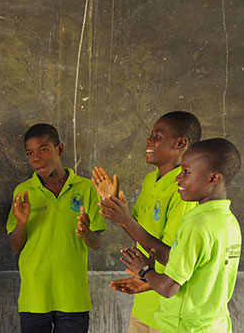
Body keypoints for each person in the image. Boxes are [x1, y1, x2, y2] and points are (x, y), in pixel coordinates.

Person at [101, 138, 242, 332]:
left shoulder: (196, 225)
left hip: (182, 327)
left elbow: (169, 288)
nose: (178, 178)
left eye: (186, 172)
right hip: (213, 325)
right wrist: (151, 276)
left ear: (213, 178)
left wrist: (144, 271)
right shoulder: (229, 222)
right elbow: (195, 275)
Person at [91, 111, 201, 332]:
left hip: (170, 310)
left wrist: (125, 221)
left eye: (157, 136)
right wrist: (114, 206)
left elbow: (172, 256)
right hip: (144, 305)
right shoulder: (150, 180)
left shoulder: (185, 190)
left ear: (180, 143)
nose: (148, 141)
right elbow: (140, 231)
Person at [6, 123, 106, 333]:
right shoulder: (24, 191)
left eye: (43, 149)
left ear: (59, 149)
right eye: (29, 153)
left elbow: (97, 244)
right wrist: (22, 222)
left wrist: (86, 233)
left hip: (73, 297)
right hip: (35, 297)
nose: (36, 158)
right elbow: (15, 246)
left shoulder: (86, 188)